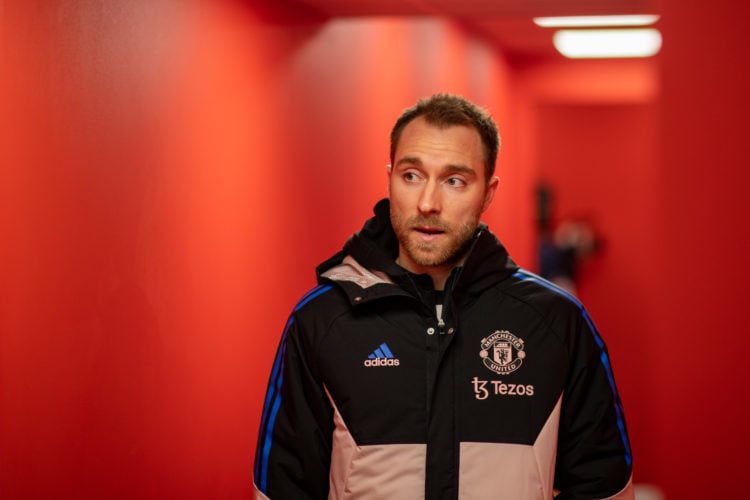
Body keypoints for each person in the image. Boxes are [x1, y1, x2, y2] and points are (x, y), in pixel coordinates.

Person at [252, 94, 634, 499]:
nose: (428, 203)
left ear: (488, 192)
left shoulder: (557, 321)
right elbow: (281, 488)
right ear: (389, 178)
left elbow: (603, 486)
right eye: (412, 175)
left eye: (454, 181)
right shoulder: (323, 320)